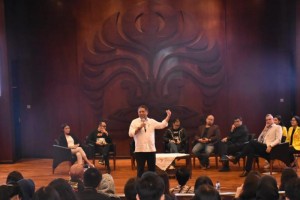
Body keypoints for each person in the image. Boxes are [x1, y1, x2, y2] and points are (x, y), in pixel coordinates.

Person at [128, 105, 171, 177]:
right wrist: (139, 128)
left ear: (147, 112)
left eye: (143, 111)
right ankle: (140, 186)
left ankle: (152, 186)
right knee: (140, 170)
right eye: (139, 112)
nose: (141, 113)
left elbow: (162, 125)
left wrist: (168, 116)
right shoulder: (134, 122)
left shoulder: (152, 121)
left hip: (151, 149)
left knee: (152, 170)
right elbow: (130, 134)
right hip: (139, 150)